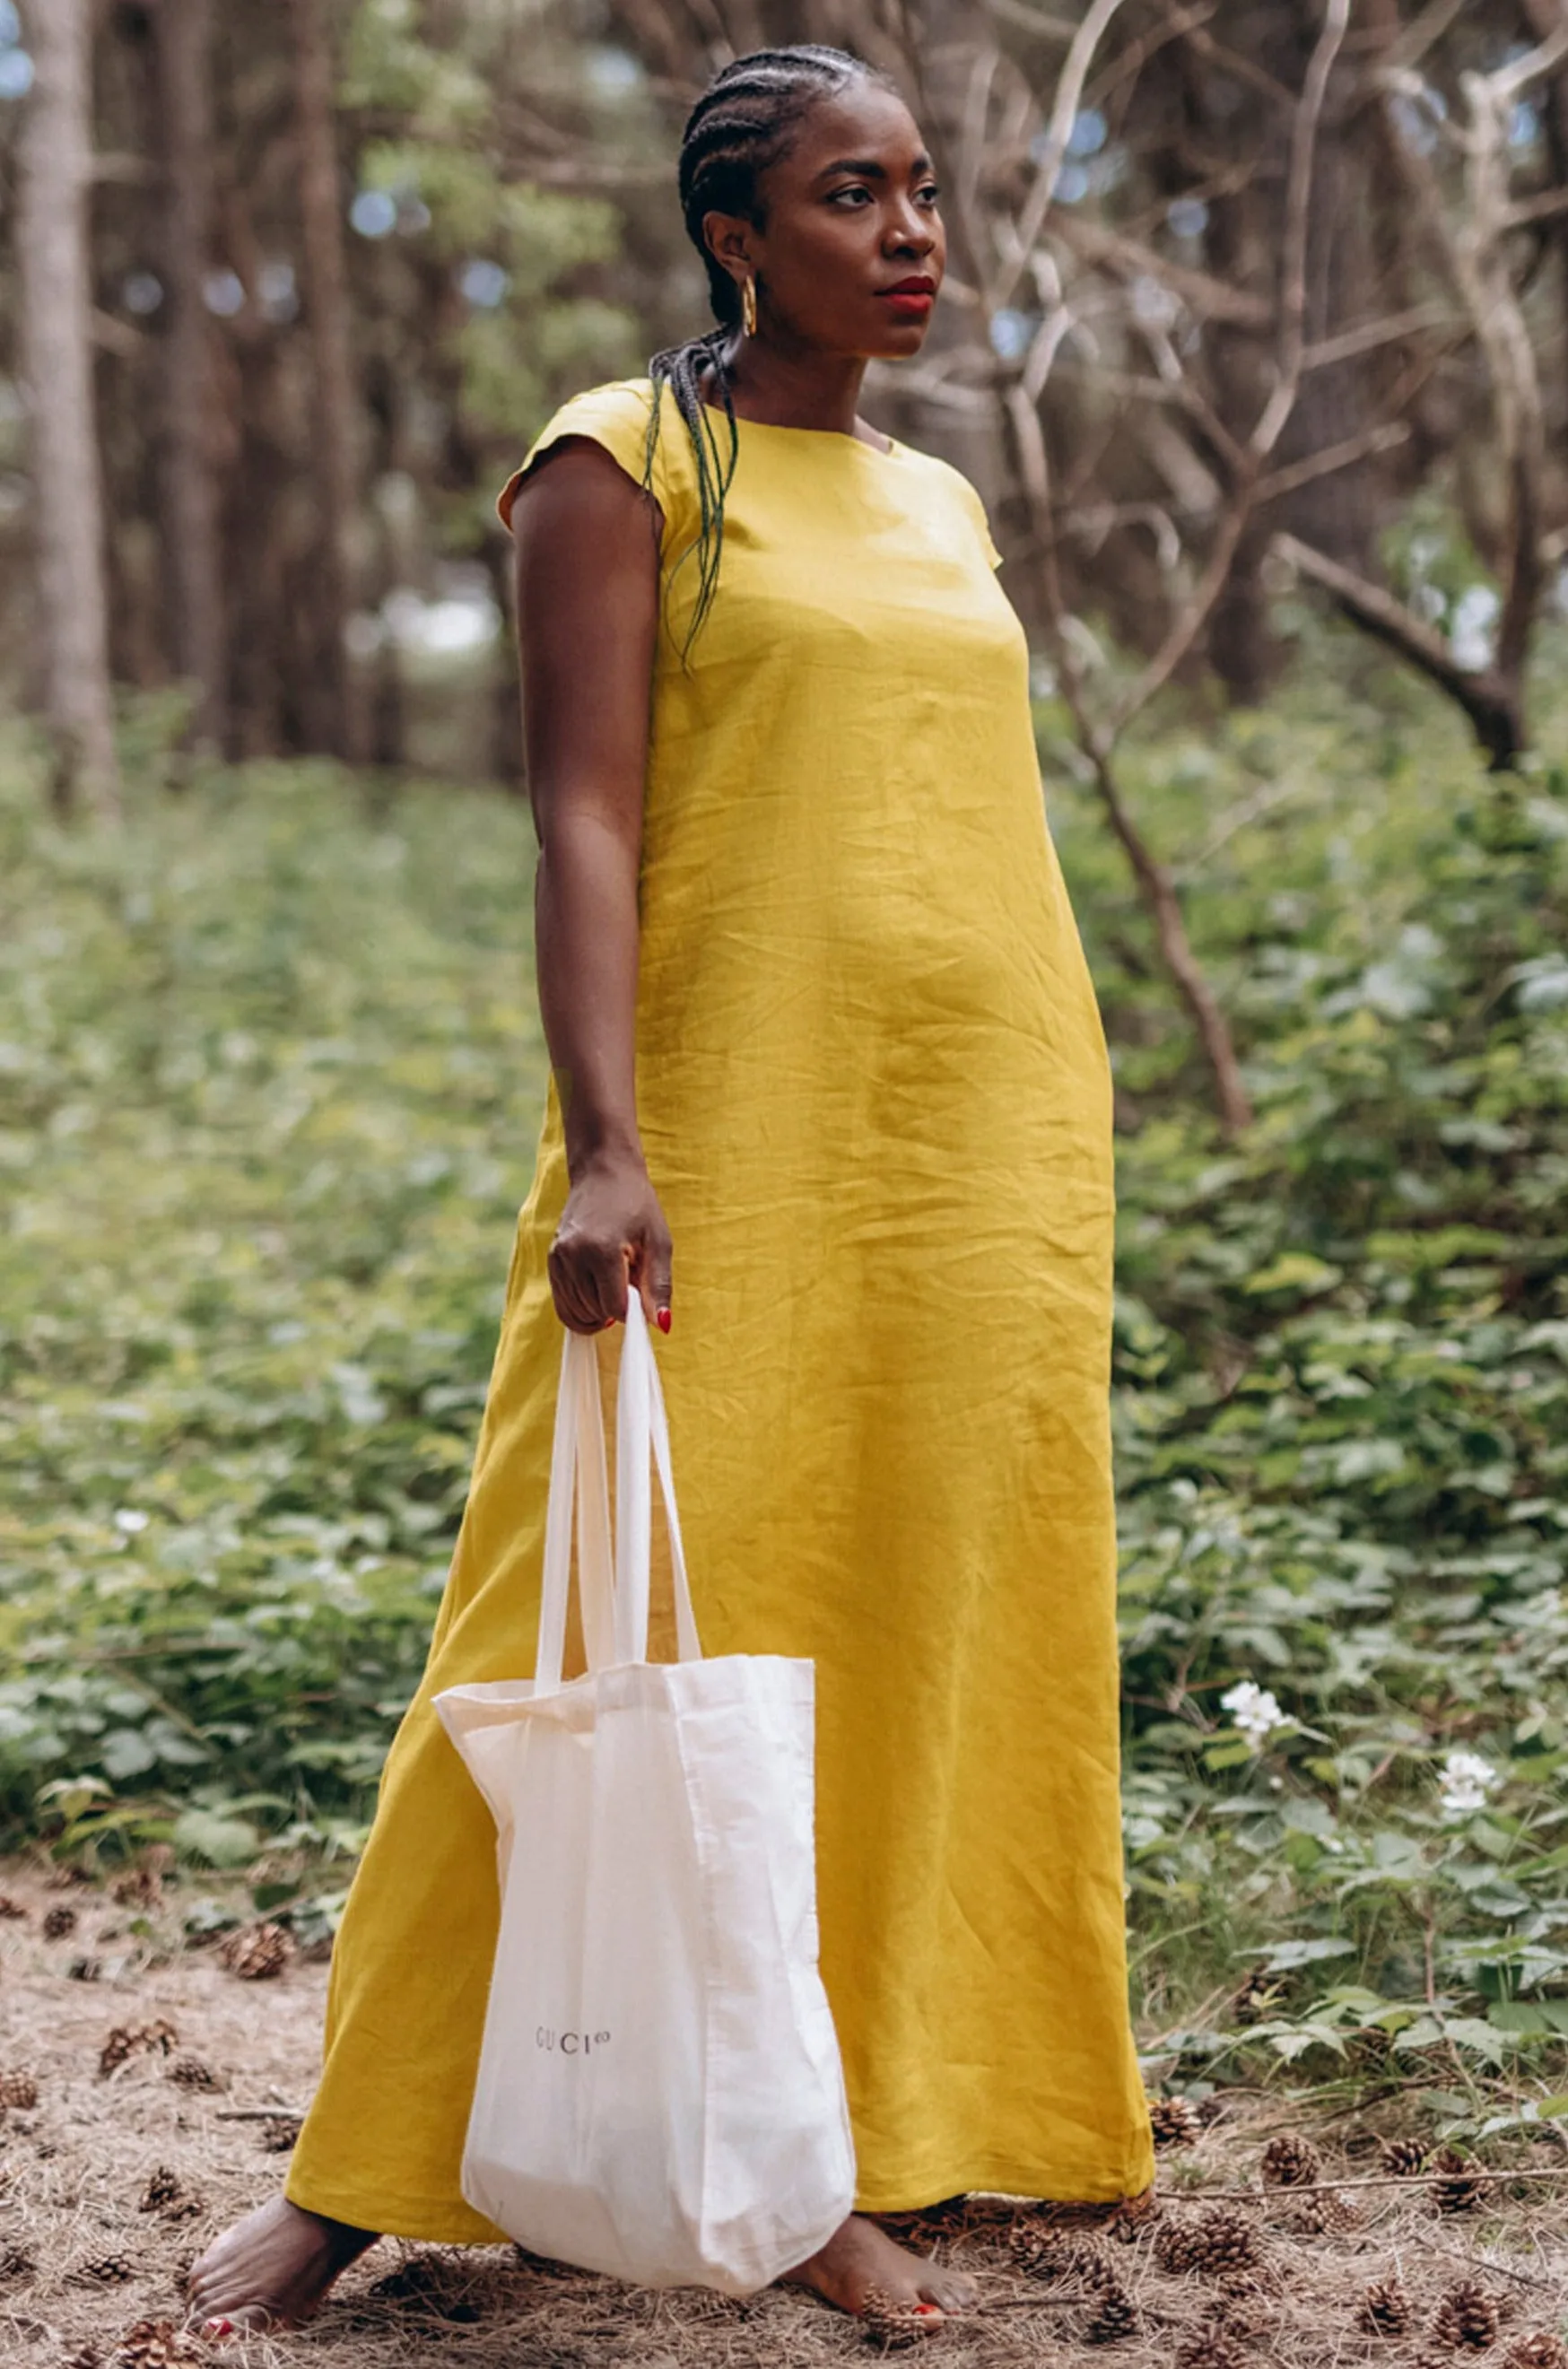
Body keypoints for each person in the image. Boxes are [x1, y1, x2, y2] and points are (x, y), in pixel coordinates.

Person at [189, 41, 1154, 2340]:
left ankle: (862, 2130)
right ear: (736, 233)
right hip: (724, 1130)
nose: (912, 234)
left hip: (982, 1137)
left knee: (925, 1604)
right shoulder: (621, 463)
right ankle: (365, 2171)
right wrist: (609, 1137)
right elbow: (588, 820)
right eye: (852, 195)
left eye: (923, 192)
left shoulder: (935, 503)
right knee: (568, 1620)